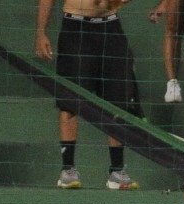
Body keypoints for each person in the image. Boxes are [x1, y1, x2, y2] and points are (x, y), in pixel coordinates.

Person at [37, 0, 141, 191]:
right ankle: (68, 169)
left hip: (111, 27)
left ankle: (117, 171)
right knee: (70, 101)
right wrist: (41, 32)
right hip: (75, 28)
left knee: (117, 103)